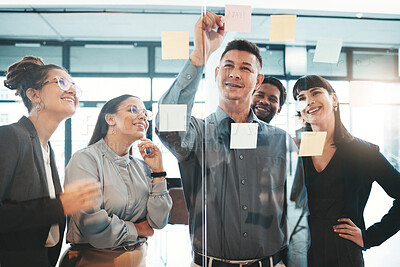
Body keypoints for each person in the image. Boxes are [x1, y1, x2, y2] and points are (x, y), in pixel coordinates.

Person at [156, 12, 309, 267]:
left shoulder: (280, 141)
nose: (235, 74)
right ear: (216, 74)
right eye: (228, 66)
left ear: (257, 80)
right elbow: (167, 123)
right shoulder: (196, 134)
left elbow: (296, 213)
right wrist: (199, 56)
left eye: (245, 68)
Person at [0, 56, 101, 267]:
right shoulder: (10, 137)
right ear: (34, 95)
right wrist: (60, 206)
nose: (72, 90)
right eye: (62, 82)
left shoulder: (47, 149)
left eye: (74, 85)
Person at [292, 75, 400, 266]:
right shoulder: (296, 151)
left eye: (315, 92)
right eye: (301, 98)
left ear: (334, 99)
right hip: (301, 255)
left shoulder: (363, 151)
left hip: (345, 255)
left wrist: (370, 237)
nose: (309, 101)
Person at [61, 94, 172, 267]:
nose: (143, 116)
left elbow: (158, 221)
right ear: (110, 119)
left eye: (145, 113)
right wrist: (138, 229)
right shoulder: (84, 160)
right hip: (95, 261)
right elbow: (93, 226)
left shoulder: (142, 167)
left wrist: (158, 171)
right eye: (133, 110)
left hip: (138, 260)